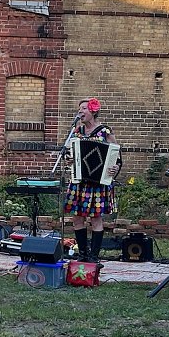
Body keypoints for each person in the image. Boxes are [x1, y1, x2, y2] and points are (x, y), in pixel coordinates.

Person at [63, 97, 121, 263]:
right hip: (79, 181)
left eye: (84, 109)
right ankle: (82, 254)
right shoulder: (77, 132)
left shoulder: (105, 132)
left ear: (93, 111)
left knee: (96, 218)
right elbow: (70, 154)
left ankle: (94, 257)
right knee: (77, 218)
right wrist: (69, 159)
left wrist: (115, 167)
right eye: (79, 109)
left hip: (97, 183)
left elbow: (116, 156)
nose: (80, 112)